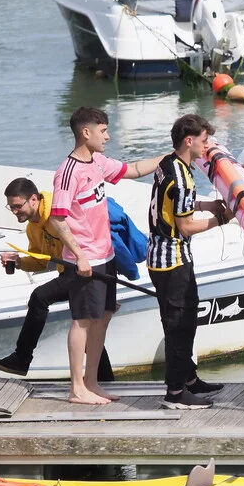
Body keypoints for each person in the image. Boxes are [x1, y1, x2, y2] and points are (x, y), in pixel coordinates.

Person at [51, 106, 162, 405]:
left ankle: (92, 382)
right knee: (83, 320)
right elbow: (57, 219)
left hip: (106, 254)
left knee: (103, 316)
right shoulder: (68, 173)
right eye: (103, 131)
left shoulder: (98, 162)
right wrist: (79, 255)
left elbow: (133, 169)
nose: (108, 136)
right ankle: (76, 388)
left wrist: (169, 156)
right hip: (85, 259)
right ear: (86, 132)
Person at [0, 177, 115, 382]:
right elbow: (40, 261)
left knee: (41, 297)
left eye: (18, 206)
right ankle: (106, 380)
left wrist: (106, 286)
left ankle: (22, 358)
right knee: (86, 331)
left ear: (33, 199)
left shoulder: (59, 213)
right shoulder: (33, 227)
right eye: (11, 207)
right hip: (70, 273)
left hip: (89, 269)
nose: (14, 212)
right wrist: (19, 262)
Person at [147, 114, 231, 410]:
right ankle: (175, 393)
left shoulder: (168, 163)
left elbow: (173, 202)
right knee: (179, 326)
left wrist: (206, 204)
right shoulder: (181, 177)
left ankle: (189, 379)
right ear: (189, 141)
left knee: (185, 320)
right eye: (204, 140)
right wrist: (220, 219)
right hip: (171, 261)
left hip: (162, 255)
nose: (207, 146)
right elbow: (185, 226)